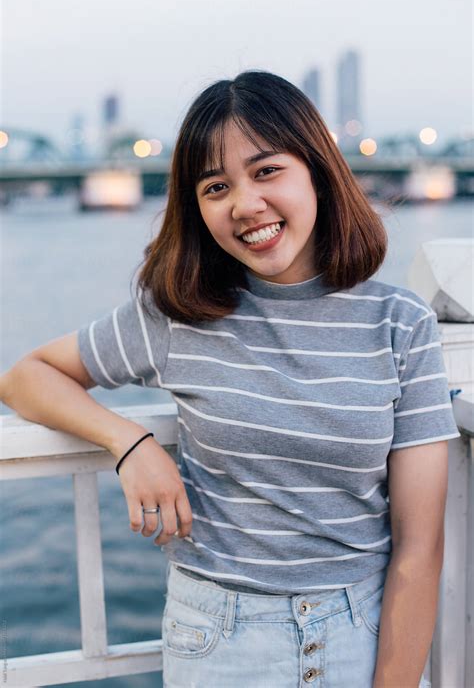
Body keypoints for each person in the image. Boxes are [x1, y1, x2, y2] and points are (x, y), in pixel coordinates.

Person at [1, 71, 459, 688]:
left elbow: (418, 548)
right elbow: (25, 377)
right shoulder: (180, 313)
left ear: (318, 170)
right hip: (220, 641)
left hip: (364, 633)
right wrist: (128, 443)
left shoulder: (400, 324)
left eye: (267, 171)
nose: (245, 205)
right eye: (217, 186)